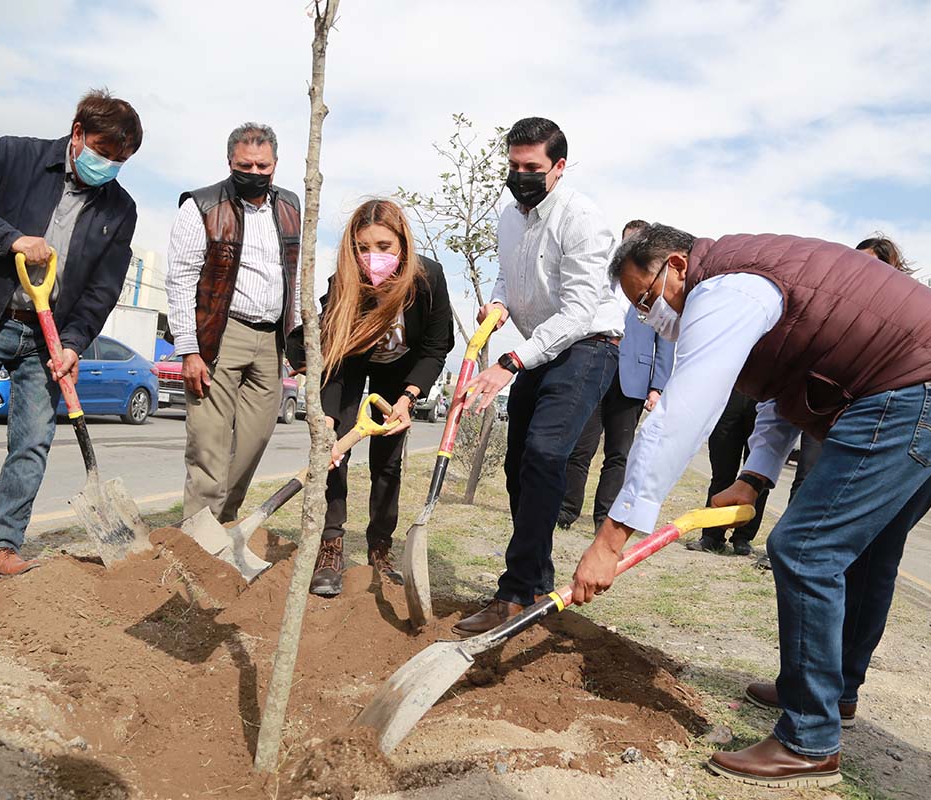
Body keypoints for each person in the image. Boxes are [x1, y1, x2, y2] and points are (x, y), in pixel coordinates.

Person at [571, 225, 931, 788]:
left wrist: (609, 540)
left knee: (805, 547)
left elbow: (681, 415)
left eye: (647, 299)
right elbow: (783, 388)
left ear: (676, 265)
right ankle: (830, 694)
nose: (651, 318)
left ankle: (809, 741)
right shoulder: (750, 280)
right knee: (865, 551)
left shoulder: (725, 291)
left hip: (917, 387)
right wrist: (754, 477)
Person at [0, 90, 142, 578]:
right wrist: (10, 238)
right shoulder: (15, 155)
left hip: (47, 338)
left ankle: (3, 542)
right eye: (102, 153)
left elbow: (103, 289)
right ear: (77, 134)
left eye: (119, 160)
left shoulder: (120, 211)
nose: (107, 165)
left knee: (32, 441)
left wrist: (73, 343)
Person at [454, 117, 622, 636]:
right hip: (540, 349)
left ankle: (513, 593)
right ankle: (536, 585)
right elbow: (507, 273)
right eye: (514, 166)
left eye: (533, 168)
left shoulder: (583, 220)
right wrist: (500, 303)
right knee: (517, 468)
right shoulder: (509, 217)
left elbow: (577, 310)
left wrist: (509, 363)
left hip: (587, 346)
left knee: (546, 455)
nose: (521, 176)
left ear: (559, 167)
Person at [288, 199, 453, 596]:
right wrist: (326, 419)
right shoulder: (345, 281)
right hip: (352, 361)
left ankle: (381, 546)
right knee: (334, 454)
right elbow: (333, 353)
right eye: (363, 247)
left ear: (403, 245)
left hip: (401, 369)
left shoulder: (428, 278)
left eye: (383, 246)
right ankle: (331, 545)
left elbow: (435, 346)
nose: (372, 257)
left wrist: (409, 397)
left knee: (387, 463)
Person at [165, 123, 301, 524]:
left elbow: (297, 276)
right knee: (208, 445)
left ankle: (223, 525)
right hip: (221, 337)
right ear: (230, 162)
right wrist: (189, 349)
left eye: (263, 165)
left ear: (275, 165)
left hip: (271, 340)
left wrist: (297, 345)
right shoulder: (202, 206)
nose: (255, 172)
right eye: (246, 165)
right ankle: (195, 543)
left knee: (254, 440)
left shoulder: (291, 207)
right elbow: (181, 280)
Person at [558, 219, 675, 531]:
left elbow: (664, 341)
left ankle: (603, 517)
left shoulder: (655, 290)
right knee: (580, 448)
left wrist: (657, 386)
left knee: (618, 454)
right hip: (594, 371)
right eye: (627, 242)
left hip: (632, 381)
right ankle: (566, 511)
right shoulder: (603, 282)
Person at [788, 234, 914, 501]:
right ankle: (789, 543)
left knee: (850, 490)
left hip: (867, 410)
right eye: (857, 261)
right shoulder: (835, 299)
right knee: (807, 479)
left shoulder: (900, 308)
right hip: (824, 407)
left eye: (873, 264)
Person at [689, 389, 771, 555]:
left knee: (757, 478)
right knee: (722, 473)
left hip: (764, 399)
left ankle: (743, 537)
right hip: (730, 396)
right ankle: (712, 536)